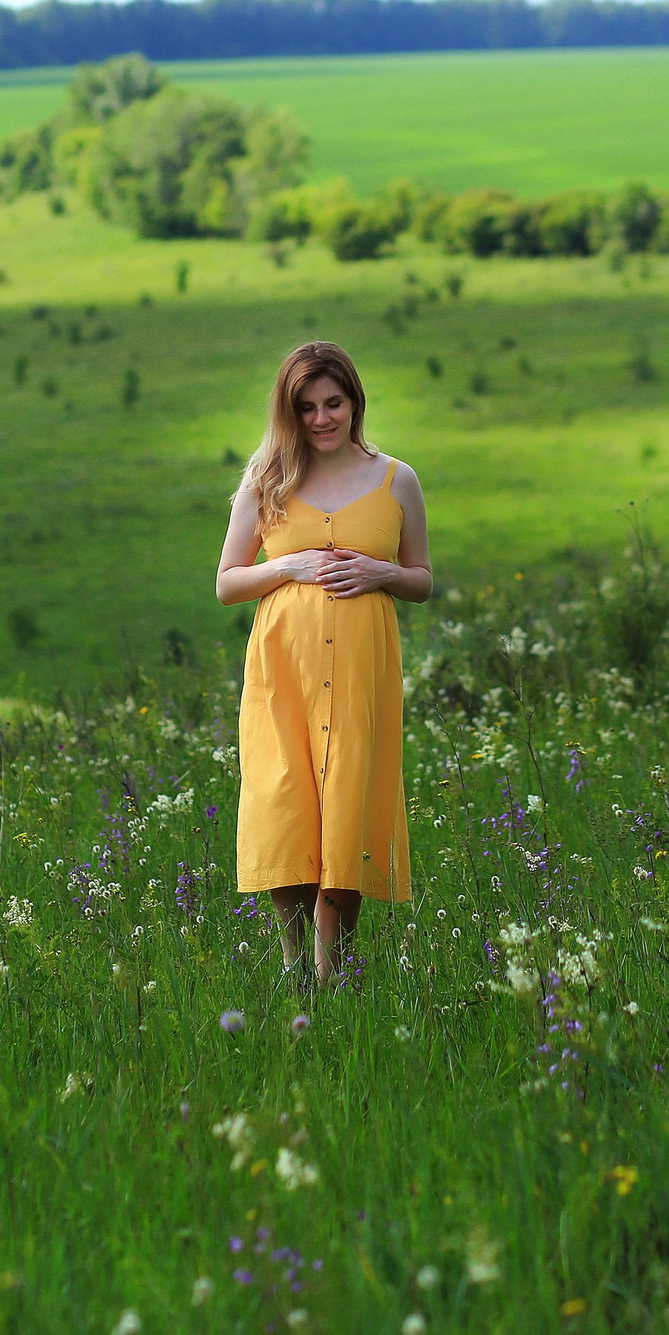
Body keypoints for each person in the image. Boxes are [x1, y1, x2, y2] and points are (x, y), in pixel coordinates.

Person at [215, 341, 432, 989]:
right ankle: (294, 971)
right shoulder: (266, 481)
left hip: (363, 671)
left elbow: (422, 579)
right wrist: (289, 565)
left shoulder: (396, 480)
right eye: (305, 407)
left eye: (332, 403)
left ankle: (335, 971)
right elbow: (227, 582)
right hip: (285, 673)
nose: (320, 418)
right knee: (286, 805)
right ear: (289, 412)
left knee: (346, 807)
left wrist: (382, 572)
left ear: (355, 401)